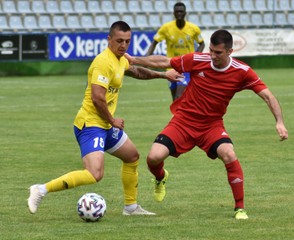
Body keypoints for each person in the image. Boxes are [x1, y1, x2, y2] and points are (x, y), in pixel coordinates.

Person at [125, 29, 288, 220]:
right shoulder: (198, 60)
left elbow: (268, 96)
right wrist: (135, 59)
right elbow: (165, 61)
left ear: (230, 51)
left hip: (211, 126)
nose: (212, 55)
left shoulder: (242, 71)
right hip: (183, 121)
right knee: (153, 157)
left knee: (229, 154)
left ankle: (240, 208)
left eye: (217, 52)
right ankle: (160, 177)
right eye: (211, 50)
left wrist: (280, 122)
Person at [27, 21, 182, 216]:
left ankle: (131, 207)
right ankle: (40, 190)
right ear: (109, 39)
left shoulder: (120, 58)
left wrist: (163, 76)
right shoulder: (103, 62)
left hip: (105, 125)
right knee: (94, 174)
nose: (123, 45)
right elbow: (97, 97)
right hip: (90, 124)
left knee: (132, 157)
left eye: (127, 41)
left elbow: (136, 71)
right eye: (119, 41)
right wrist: (112, 121)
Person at [146, 1, 205, 101]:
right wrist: (147, 59)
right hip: (171, 67)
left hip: (186, 67)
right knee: (175, 99)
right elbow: (154, 42)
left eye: (181, 12)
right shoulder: (166, 28)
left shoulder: (193, 28)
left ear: (185, 13)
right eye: (177, 12)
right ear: (173, 13)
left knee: (180, 96)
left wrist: (195, 56)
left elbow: (202, 44)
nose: (179, 14)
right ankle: (179, 116)